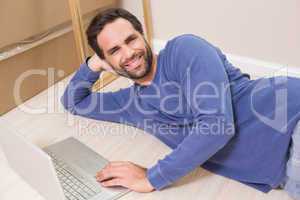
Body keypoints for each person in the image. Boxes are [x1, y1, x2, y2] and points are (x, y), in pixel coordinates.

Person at [61, 8, 300, 199]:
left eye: (131, 39)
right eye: (114, 50)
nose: (129, 53)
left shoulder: (184, 50)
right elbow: (74, 102)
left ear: (143, 35)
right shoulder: (130, 103)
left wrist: (151, 178)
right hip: (284, 170)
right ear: (106, 60)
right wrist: (93, 64)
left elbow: (216, 126)